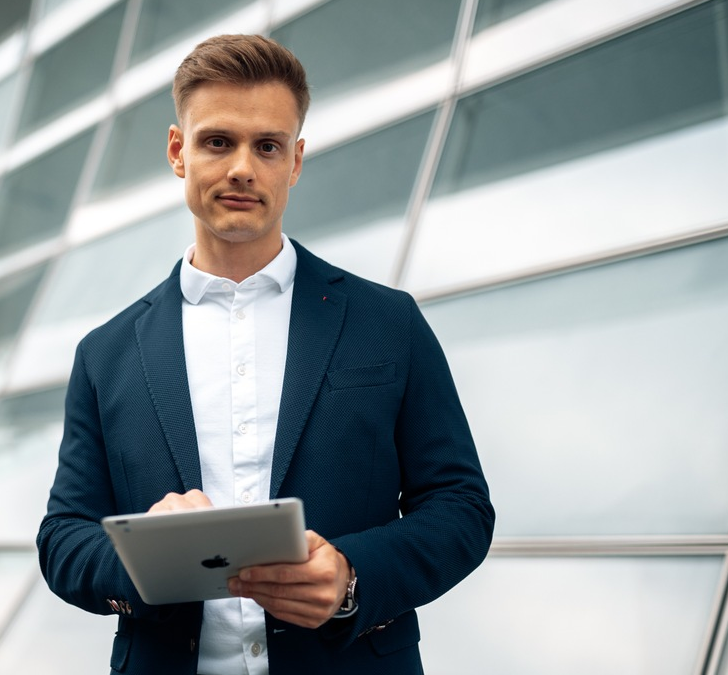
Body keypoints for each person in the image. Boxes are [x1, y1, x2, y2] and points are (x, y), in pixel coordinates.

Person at [37, 34, 493, 675]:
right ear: (178, 151)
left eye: (268, 146)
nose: (243, 167)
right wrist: (146, 555)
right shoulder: (106, 354)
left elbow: (461, 508)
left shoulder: (388, 323)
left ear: (296, 160)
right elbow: (62, 539)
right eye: (218, 142)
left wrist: (351, 579)